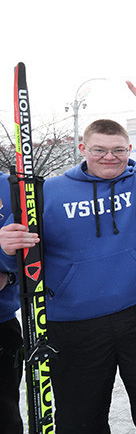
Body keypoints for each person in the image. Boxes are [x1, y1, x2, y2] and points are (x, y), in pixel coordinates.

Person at [0, 61, 136, 433]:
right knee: (80, 419)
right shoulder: (48, 193)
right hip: (73, 324)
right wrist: (4, 247)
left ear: (129, 148)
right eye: (99, 150)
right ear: (83, 147)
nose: (109, 157)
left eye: (118, 150)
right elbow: (19, 256)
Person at [0, 172, 22, 434]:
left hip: (2, 324)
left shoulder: (12, 187)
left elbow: (34, 254)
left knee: (5, 414)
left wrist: (10, 275)